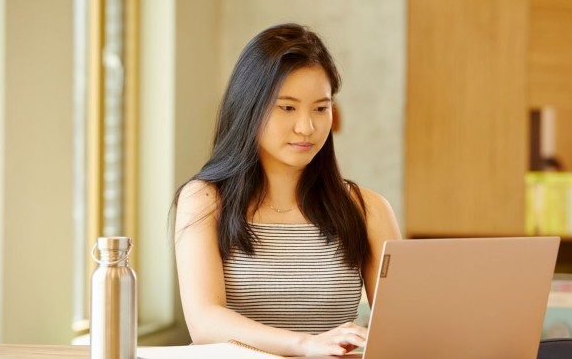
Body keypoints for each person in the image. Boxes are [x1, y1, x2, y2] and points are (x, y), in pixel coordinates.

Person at [172, 23, 401, 357]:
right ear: (249, 108)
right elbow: (204, 322)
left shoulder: (368, 208)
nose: (306, 127)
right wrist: (305, 344)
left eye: (321, 108)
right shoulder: (205, 200)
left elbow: (404, 325)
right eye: (287, 107)